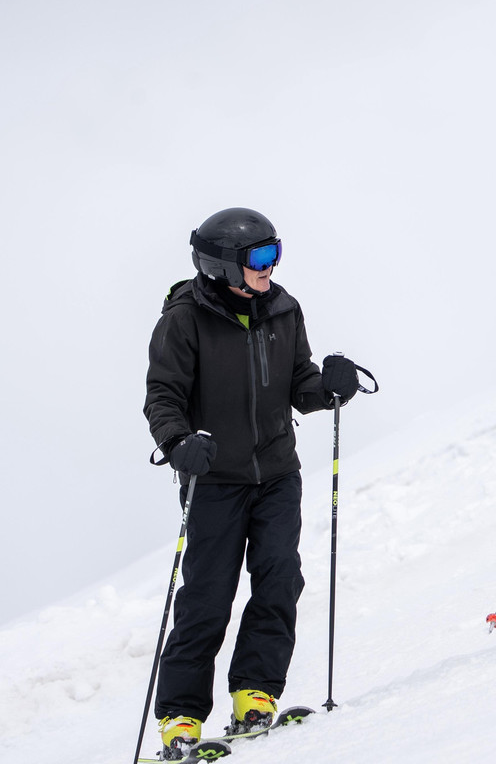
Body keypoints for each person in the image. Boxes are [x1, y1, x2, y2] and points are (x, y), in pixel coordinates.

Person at [143, 207, 362, 760]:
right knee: (207, 596)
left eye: (274, 252)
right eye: (258, 257)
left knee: (280, 579)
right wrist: (177, 442)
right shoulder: (184, 320)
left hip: (277, 474)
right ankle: (180, 717)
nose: (270, 267)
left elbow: (299, 383)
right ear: (221, 265)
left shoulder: (284, 309)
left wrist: (330, 388)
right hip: (214, 479)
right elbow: (162, 396)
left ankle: (255, 693)